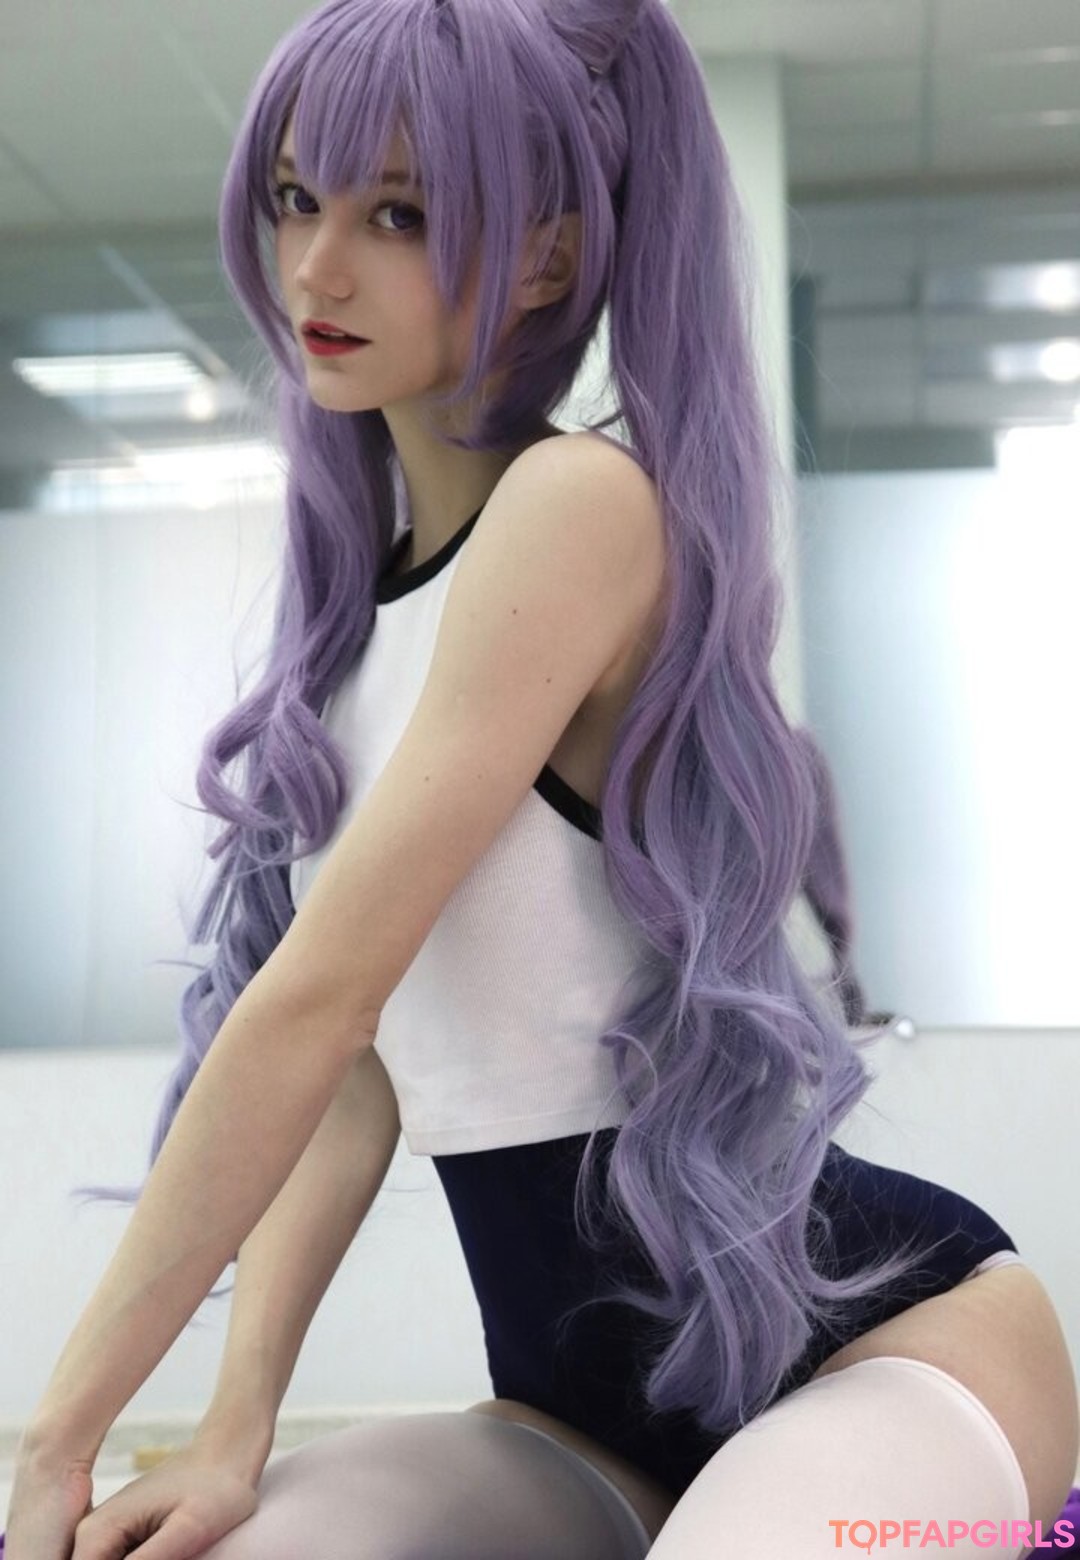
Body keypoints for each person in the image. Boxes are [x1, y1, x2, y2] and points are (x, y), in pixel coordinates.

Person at [7, 0, 1077, 1555]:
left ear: (549, 257)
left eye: (398, 215)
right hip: (572, 1414)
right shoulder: (355, 628)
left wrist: (59, 1436)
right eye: (298, 199)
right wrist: (232, 1428)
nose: (317, 267)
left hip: (878, 1347)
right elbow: (352, 1077)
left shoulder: (579, 506)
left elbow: (313, 1002)